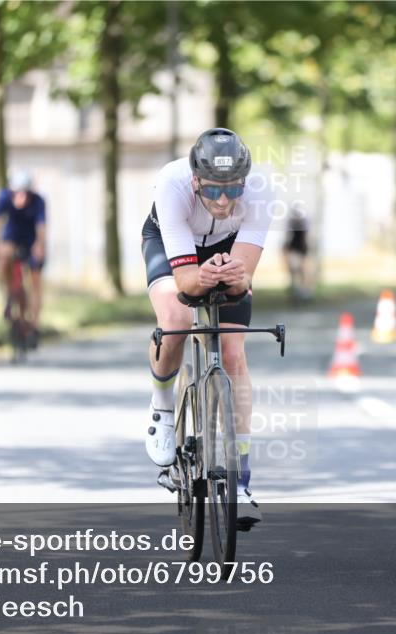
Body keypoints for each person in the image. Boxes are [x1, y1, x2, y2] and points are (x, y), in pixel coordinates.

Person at [141, 127, 273, 529]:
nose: (221, 199)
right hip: (171, 243)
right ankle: (163, 404)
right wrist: (206, 276)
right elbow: (184, 286)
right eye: (213, 189)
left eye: (232, 190)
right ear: (196, 179)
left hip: (227, 248)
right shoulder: (172, 183)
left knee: (233, 353)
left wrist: (233, 276)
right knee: (178, 320)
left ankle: (241, 476)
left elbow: (243, 276)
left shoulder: (263, 190)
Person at [0, 171, 46, 348]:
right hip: (12, 237)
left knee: (35, 281)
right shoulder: (5, 197)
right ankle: (8, 295)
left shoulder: (38, 202)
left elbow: (41, 227)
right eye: (16, 193)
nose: (20, 197)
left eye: (24, 193)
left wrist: (40, 246)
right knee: (3, 258)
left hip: (31, 239)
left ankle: (34, 326)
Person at [284, 204, 311, 303]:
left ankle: (304, 292)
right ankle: (297, 291)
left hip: (301, 249)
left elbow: (306, 236)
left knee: (302, 272)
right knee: (295, 271)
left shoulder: (304, 221)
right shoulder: (291, 221)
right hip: (294, 249)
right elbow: (288, 236)